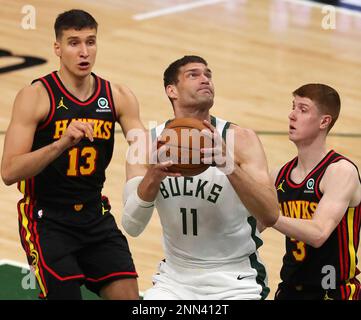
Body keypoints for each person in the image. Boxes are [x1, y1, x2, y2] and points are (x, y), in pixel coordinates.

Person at [1, 9, 144, 300]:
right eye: (73, 42)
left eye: (90, 42)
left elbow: (141, 145)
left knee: (129, 296)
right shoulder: (36, 96)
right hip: (46, 219)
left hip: (95, 215)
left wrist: (172, 150)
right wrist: (60, 144)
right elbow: (9, 172)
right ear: (57, 48)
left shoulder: (117, 95)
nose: (84, 52)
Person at [121, 55, 279, 300]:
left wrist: (229, 166)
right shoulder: (145, 143)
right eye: (193, 75)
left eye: (208, 74)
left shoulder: (241, 139)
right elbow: (132, 226)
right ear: (171, 90)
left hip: (235, 280)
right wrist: (153, 176)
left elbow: (270, 214)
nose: (205, 79)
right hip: (174, 280)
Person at [271, 83, 361, 300]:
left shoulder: (340, 171)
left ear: (324, 121)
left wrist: (271, 216)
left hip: (334, 293)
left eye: (303, 109)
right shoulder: (280, 174)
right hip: (289, 290)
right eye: (293, 107)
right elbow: (252, 226)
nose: (292, 115)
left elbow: (319, 233)